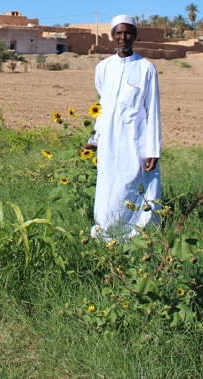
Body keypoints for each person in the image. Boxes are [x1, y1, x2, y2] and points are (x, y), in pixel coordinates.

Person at [83, 14, 162, 239]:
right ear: (112, 36)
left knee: (131, 185)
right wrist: (95, 139)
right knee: (108, 185)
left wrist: (153, 150)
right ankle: (106, 230)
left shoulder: (146, 69)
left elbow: (153, 111)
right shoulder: (104, 68)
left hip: (135, 140)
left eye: (128, 32)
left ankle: (136, 234)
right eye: (119, 33)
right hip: (108, 139)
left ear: (135, 35)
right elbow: (104, 105)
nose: (123, 37)